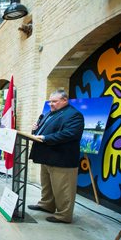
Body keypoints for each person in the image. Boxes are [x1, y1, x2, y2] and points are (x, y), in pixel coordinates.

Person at [28, 90, 85, 224]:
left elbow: (70, 134)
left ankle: (63, 215)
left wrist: (45, 137)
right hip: (47, 156)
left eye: (54, 101)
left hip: (62, 158)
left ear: (65, 100)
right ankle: (46, 204)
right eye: (50, 101)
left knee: (63, 189)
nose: (51, 104)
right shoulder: (49, 114)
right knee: (47, 185)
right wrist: (35, 130)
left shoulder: (74, 115)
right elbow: (41, 132)